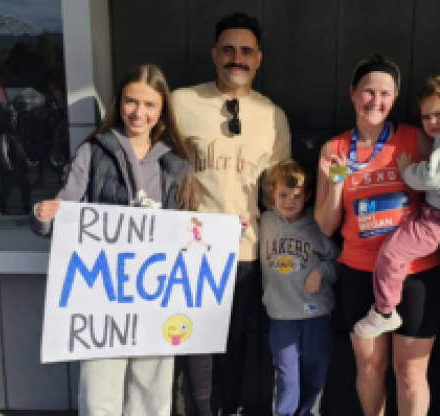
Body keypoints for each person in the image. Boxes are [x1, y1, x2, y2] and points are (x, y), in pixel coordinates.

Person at [29, 64, 196, 415]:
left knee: (152, 397)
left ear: (162, 109)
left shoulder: (176, 164)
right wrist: (44, 217)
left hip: (156, 294)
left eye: (150, 105)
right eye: (131, 101)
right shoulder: (93, 152)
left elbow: (189, 228)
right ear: (119, 102)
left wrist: (225, 232)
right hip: (102, 298)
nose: (139, 112)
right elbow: (67, 210)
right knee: (99, 397)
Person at [314, 54, 440, 416]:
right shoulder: (334, 149)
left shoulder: (417, 139)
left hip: (418, 273)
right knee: (370, 369)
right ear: (352, 93)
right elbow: (327, 225)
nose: (376, 101)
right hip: (360, 272)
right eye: (368, 92)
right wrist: (334, 186)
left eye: (385, 94)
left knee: (410, 372)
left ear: (395, 98)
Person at [171, 11, 291, 416]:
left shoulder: (272, 116)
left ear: (259, 59)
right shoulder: (182, 102)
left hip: (244, 249)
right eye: (228, 50)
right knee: (196, 342)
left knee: (235, 339)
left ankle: (232, 409)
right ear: (214, 55)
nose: (236, 58)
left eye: (245, 51)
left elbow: (279, 188)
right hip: (190, 247)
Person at [353, 76, 440, 339]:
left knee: (392, 254)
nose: (432, 123)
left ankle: (384, 312)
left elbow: (433, 177)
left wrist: (408, 171)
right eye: (426, 117)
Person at [260, 159, 338, 416]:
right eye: (283, 194)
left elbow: (336, 260)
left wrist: (320, 271)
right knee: (287, 376)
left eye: (297, 195)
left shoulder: (317, 226)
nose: (289, 201)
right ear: (273, 193)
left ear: (308, 196)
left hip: (315, 314)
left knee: (315, 372)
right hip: (281, 315)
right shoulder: (265, 222)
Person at [0, 106, 35, 214]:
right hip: (11, 171)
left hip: (19, 169)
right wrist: (8, 168)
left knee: (25, 189)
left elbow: (20, 151)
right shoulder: (3, 135)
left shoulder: (14, 134)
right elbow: (3, 154)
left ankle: (27, 209)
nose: (15, 120)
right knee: (5, 191)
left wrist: (27, 162)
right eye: (13, 118)